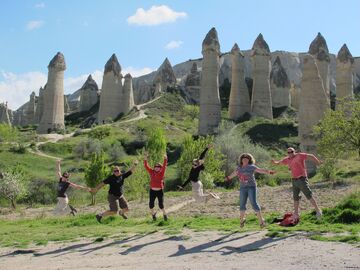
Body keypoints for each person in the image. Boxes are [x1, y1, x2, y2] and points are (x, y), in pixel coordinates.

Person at [225, 153, 275, 228]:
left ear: (249, 160)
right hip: (243, 188)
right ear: (241, 160)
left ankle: (261, 222)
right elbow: (233, 174)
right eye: (243, 158)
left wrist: (269, 172)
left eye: (247, 158)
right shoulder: (239, 168)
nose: (245, 159)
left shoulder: (251, 167)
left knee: (254, 203)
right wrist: (227, 178)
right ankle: (242, 221)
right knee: (242, 204)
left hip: (251, 187)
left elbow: (260, 170)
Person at [271, 147, 323, 220]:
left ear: (294, 151)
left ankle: (318, 210)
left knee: (308, 195)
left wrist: (317, 162)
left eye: (291, 152)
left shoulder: (299, 155)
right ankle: (296, 214)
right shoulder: (287, 159)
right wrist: (275, 162)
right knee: (295, 197)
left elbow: (311, 156)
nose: (290, 153)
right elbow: (280, 162)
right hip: (294, 180)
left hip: (302, 179)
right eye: (288, 152)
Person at [144, 152, 168, 221]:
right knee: (151, 205)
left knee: (161, 205)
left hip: (159, 191)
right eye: (155, 166)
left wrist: (165, 159)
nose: (156, 168)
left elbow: (164, 166)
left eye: (158, 167)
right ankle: (153, 215)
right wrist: (145, 158)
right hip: (152, 191)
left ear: (160, 168)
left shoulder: (161, 173)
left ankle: (165, 214)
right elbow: (146, 166)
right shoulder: (151, 172)